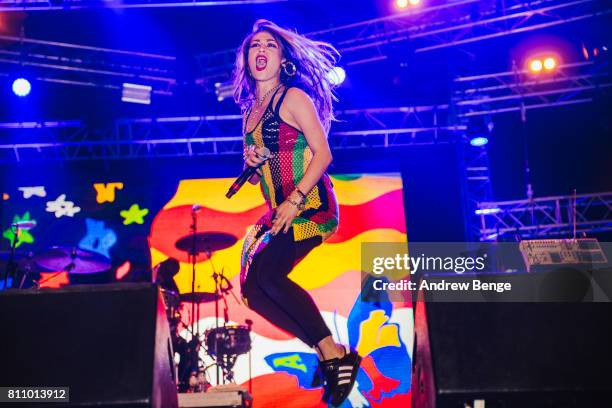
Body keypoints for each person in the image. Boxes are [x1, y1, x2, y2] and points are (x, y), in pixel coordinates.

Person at [232, 19, 361, 406]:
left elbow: (323, 155)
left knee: (269, 273)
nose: (261, 50)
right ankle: (328, 352)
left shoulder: (293, 98)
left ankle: (333, 353)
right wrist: (254, 165)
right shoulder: (249, 114)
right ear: (246, 59)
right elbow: (261, 178)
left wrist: (294, 200)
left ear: (283, 58)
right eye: (255, 45)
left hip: (313, 207)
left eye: (270, 45)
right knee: (255, 291)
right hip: (281, 212)